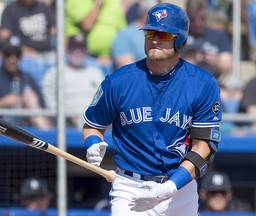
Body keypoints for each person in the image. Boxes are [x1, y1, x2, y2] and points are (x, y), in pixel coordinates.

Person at [82, 3, 222, 216]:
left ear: (181, 40)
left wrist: (171, 186)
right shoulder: (118, 81)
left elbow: (204, 147)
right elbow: (92, 125)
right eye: (150, 32)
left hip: (179, 188)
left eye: (164, 34)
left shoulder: (202, 84)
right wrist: (93, 143)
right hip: (130, 187)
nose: (155, 39)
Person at [0, 35, 53, 130]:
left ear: (21, 56)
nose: (12, 59)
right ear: (2, 54)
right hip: (0, 130)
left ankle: (46, 139)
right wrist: (2, 102)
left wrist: (25, 103)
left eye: (16, 54)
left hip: (27, 131)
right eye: (8, 54)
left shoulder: (28, 78)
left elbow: (43, 110)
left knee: (30, 97)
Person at [41, 34, 104, 129]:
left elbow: (103, 99)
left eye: (81, 49)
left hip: (93, 119)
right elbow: (50, 100)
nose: (77, 52)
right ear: (67, 50)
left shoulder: (96, 73)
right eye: (74, 48)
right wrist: (67, 114)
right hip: (66, 121)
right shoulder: (55, 72)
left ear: (87, 52)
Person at [65, 0, 127, 75]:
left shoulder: (114, 2)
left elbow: (123, 32)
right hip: (84, 58)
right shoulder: (75, 2)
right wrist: (98, 4)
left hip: (111, 59)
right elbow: (86, 25)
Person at [184, 0, 232, 82]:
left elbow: (227, 66)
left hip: (213, 82)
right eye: (193, 19)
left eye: (201, 19)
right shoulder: (182, 35)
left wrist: (212, 59)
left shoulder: (218, 35)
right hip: (186, 82)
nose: (197, 23)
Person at [0, 0, 56, 66]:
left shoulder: (44, 8)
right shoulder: (10, 10)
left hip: (47, 52)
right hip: (24, 55)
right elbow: (4, 37)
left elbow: (53, 30)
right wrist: (23, 50)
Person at [111, 0, 158, 69]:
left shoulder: (160, 34)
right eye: (155, 14)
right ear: (144, 13)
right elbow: (127, 69)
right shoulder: (125, 34)